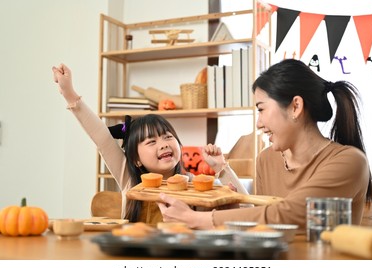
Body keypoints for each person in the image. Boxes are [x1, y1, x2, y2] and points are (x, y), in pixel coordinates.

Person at [157, 58, 372, 231]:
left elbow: (288, 213)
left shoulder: (349, 161)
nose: (259, 123)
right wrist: (231, 203)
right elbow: (262, 221)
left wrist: (194, 218)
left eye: (261, 109)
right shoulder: (266, 158)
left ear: (295, 107)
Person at [52, 63, 246, 225]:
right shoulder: (130, 181)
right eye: (151, 141)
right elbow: (101, 137)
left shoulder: (196, 184)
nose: (163, 144)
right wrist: (69, 94)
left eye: (168, 137)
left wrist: (222, 167)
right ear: (136, 160)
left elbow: (249, 210)